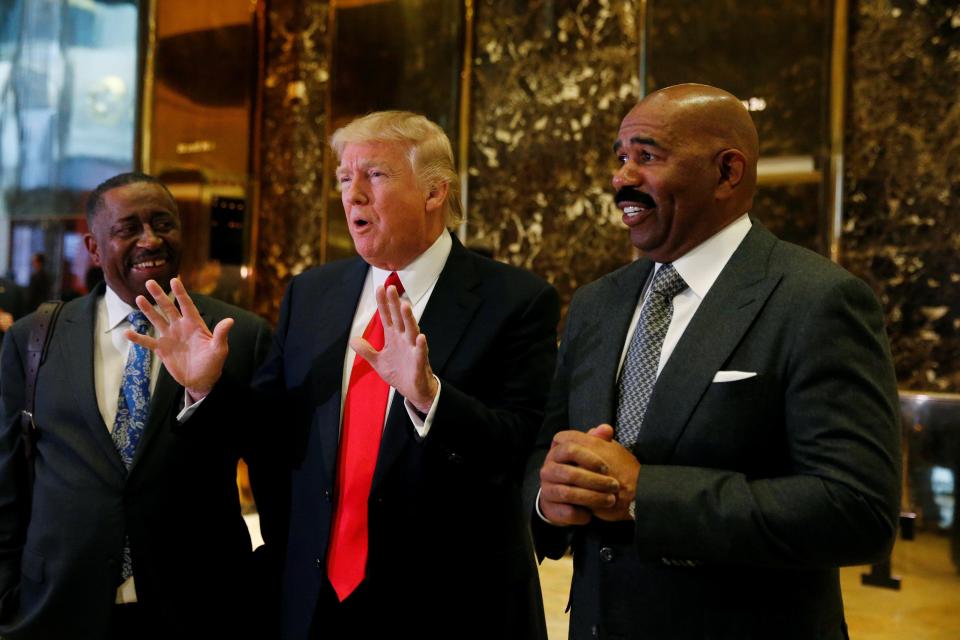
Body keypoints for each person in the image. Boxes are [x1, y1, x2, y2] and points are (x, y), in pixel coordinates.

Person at [129, 111, 559, 639]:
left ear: (435, 192)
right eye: (343, 178)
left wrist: (432, 400)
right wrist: (205, 387)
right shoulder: (313, 294)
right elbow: (270, 431)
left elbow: (520, 449)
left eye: (374, 175)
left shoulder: (515, 300)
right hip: (316, 601)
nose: (352, 195)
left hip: (450, 605)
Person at [525, 84, 901, 639]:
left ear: (727, 172)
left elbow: (856, 510)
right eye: (620, 157)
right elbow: (547, 448)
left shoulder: (816, 300)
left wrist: (646, 495)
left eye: (647, 156)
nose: (622, 178)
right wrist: (546, 497)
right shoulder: (595, 303)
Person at [0, 172, 274, 639]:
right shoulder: (33, 339)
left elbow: (274, 469)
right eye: (129, 228)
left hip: (196, 609)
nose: (151, 240)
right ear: (93, 247)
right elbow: (6, 483)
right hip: (55, 609)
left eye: (162, 224)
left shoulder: (240, 336)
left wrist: (206, 391)